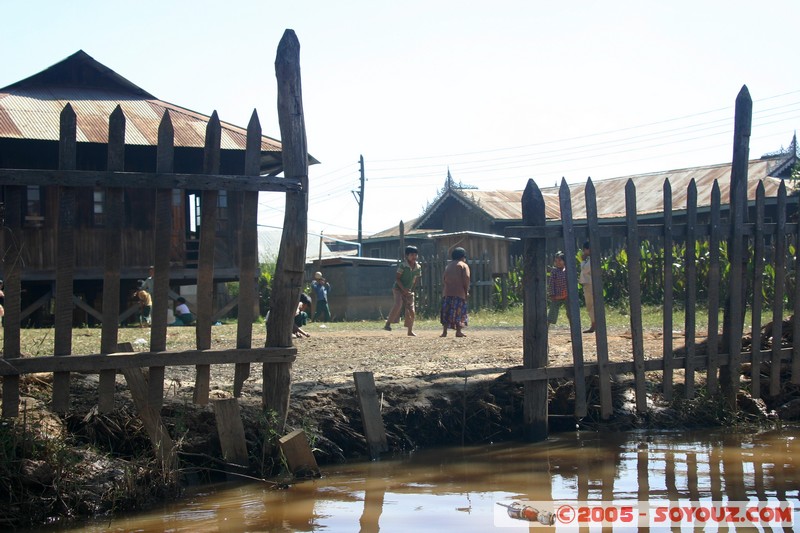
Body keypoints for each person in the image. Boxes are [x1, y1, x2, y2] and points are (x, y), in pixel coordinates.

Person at [384, 245, 422, 336]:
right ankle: (388, 323)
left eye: (415, 255)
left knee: (411, 310)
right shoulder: (403, 266)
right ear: (407, 256)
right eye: (412, 255)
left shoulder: (418, 267)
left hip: (408, 290)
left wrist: (411, 290)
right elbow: (397, 278)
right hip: (398, 288)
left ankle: (410, 330)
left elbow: (416, 279)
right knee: (398, 304)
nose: (414, 257)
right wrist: (403, 289)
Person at [440, 247, 470, 338]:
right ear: (463, 257)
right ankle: (458, 331)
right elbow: (466, 279)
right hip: (459, 293)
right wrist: (466, 291)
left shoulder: (448, 266)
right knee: (459, 312)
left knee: (446, 312)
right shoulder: (463, 265)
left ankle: (444, 332)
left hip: (447, 292)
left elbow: (444, 278)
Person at [579, 241, 596, 333]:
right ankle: (593, 323)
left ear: (587, 250)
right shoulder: (590, 259)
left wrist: (582, 260)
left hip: (589, 284)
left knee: (590, 305)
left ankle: (594, 324)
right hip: (589, 283)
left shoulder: (590, 260)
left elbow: (585, 270)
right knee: (591, 304)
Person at [547, 252, 568, 325]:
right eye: (556, 261)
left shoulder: (568, 271)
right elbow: (551, 283)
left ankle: (573, 326)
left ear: (564, 261)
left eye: (560, 261)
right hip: (557, 295)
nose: (558, 263)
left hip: (567, 295)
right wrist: (552, 294)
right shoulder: (554, 271)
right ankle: (547, 326)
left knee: (570, 311)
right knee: (553, 311)